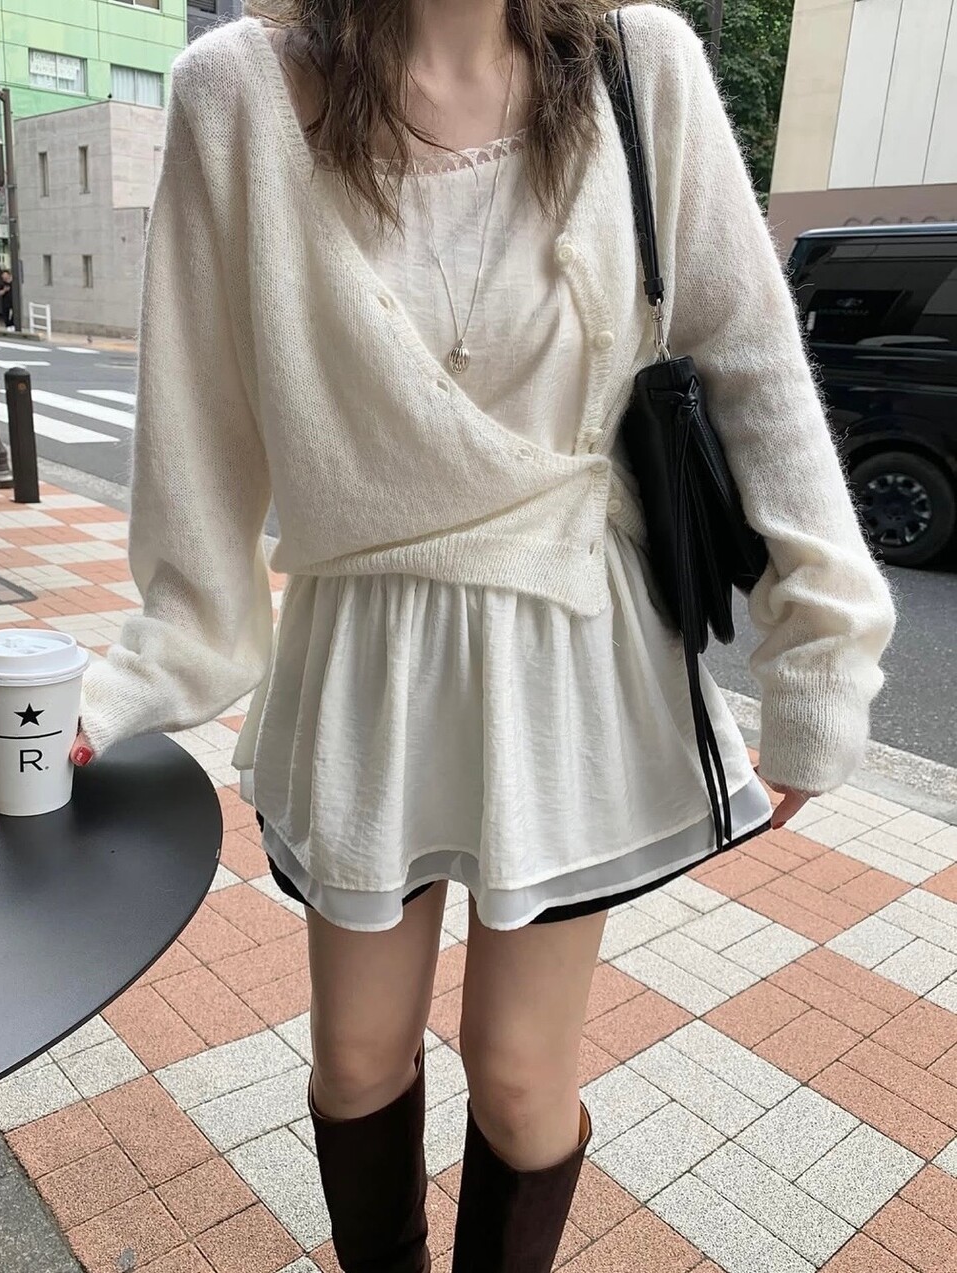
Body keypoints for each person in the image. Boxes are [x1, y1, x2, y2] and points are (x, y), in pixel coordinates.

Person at [73, 2, 897, 1269]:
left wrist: (821, 652)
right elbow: (196, 417)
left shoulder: (639, 67)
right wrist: (147, 666)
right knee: (356, 1059)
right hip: (366, 643)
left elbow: (751, 364)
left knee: (518, 1076)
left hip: (568, 639)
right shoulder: (234, 93)